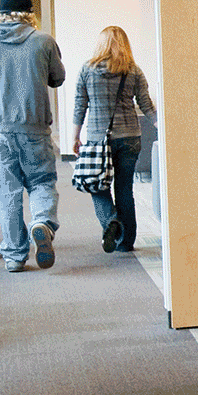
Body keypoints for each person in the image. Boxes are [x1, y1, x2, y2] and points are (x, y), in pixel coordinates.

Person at [0, 0, 66, 273]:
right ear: (29, 13)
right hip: (34, 127)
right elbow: (58, 78)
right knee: (42, 181)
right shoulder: (43, 40)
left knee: (8, 192)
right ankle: (42, 222)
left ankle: (14, 257)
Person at [71, 26, 157, 254]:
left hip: (98, 140)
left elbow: (80, 105)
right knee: (124, 189)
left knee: (97, 186)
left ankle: (111, 222)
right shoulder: (134, 71)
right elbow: (147, 106)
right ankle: (126, 242)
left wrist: (75, 136)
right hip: (130, 138)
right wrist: (162, 128)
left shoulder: (87, 70)